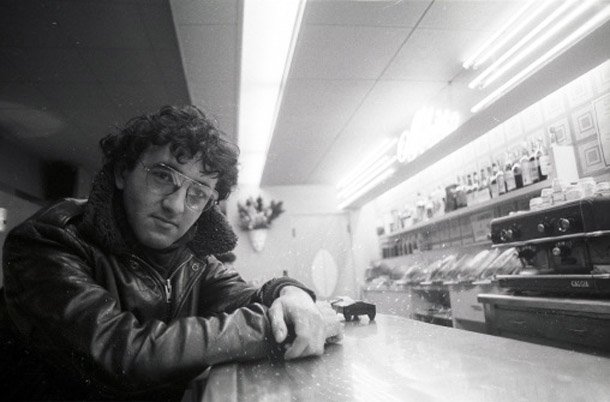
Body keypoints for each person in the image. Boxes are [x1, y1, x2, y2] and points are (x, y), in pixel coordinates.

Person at [0, 105, 342, 400]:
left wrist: (290, 293)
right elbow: (120, 353)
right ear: (122, 171)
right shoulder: (51, 239)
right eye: (163, 177)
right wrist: (268, 327)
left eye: (198, 193)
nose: (176, 206)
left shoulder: (192, 259)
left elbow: (246, 295)